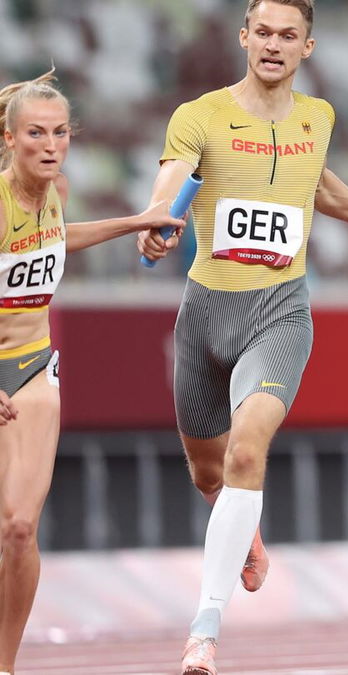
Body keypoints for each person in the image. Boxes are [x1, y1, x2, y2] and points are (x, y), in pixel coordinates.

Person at [134, 1, 348, 672]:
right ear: (244, 38)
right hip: (206, 314)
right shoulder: (200, 115)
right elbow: (172, 180)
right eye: (262, 32)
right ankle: (248, 532)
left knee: (247, 449)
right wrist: (156, 222)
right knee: (209, 470)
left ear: (307, 47)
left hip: (281, 312)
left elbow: (317, 185)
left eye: (287, 35)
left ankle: (203, 632)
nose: (273, 44)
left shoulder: (317, 118)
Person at [0, 69, 185, 673]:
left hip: (30, 368)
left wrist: (135, 222)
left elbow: (56, 238)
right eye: (36, 134)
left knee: (21, 528)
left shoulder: (58, 192)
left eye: (60, 133)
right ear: (9, 138)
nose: (50, 146)